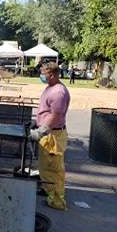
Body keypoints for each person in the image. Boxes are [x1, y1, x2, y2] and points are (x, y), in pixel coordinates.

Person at [30, 62, 70, 210]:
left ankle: (57, 201)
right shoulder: (51, 88)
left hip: (53, 135)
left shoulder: (58, 92)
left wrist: (42, 130)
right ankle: (48, 190)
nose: (41, 76)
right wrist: (37, 121)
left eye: (43, 74)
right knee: (45, 166)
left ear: (51, 75)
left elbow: (56, 115)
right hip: (48, 133)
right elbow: (47, 110)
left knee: (54, 168)